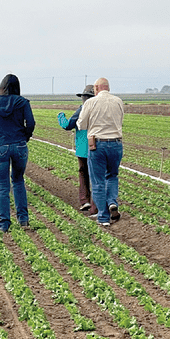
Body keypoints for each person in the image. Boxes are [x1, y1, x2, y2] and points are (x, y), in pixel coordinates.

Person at [0, 74, 35, 231]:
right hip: (19, 145)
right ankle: (23, 220)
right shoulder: (22, 102)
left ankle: (4, 224)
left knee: (2, 186)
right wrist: (25, 137)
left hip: (0, 146)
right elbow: (31, 122)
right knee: (18, 181)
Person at [80, 77, 124, 227]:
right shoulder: (118, 101)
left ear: (96, 88)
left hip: (97, 145)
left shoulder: (90, 103)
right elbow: (120, 120)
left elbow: (81, 124)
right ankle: (112, 202)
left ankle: (103, 217)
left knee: (97, 181)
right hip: (116, 144)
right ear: (108, 88)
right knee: (112, 176)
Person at [57, 85, 97, 213]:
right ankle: (96, 204)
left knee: (83, 173)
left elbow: (68, 125)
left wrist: (61, 116)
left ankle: (85, 201)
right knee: (97, 176)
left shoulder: (82, 109)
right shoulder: (98, 109)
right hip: (97, 146)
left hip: (82, 148)